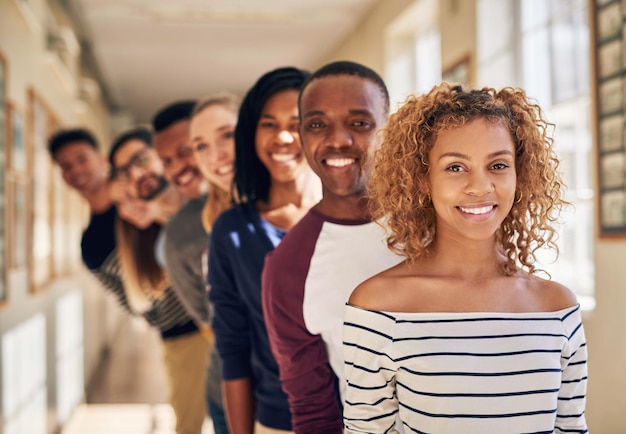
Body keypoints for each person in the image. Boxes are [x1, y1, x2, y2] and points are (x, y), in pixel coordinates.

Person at [342, 83, 588, 433]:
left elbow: (571, 429)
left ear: (521, 174)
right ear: (423, 179)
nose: (480, 186)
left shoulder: (557, 309)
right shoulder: (378, 307)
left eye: (498, 165)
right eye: (455, 168)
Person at [261, 61, 403, 433]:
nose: (338, 140)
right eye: (318, 125)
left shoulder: (437, 226)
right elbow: (313, 409)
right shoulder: (288, 267)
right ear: (304, 137)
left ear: (388, 130)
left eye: (359, 123)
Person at [207, 67, 321, 434]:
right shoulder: (232, 231)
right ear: (251, 133)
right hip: (277, 421)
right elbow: (233, 349)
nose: (284, 136)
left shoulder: (364, 220)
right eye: (268, 124)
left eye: (299, 122)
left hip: (368, 420)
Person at [109, 127, 209, 434]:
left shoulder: (213, 197)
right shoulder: (161, 242)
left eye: (141, 159)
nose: (137, 173)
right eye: (125, 172)